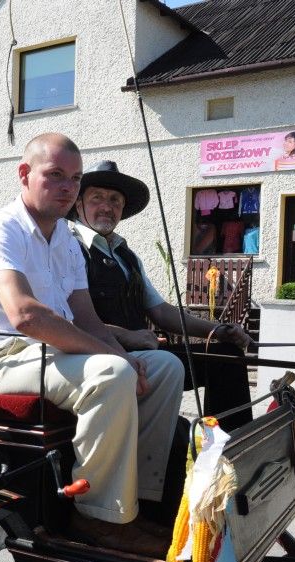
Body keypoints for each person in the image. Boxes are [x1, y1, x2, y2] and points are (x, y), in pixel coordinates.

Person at [0, 133, 184, 558]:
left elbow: (88, 319)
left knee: (164, 367)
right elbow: (26, 315)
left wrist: (122, 351)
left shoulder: (65, 239)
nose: (67, 188)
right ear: (25, 175)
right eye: (55, 175)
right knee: (113, 373)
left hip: (48, 355)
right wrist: (114, 356)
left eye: (75, 179)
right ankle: (97, 515)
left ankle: (139, 503)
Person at [70, 160, 254, 431]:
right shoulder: (67, 248)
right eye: (97, 198)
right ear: (78, 204)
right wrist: (126, 335)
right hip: (100, 357)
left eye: (115, 200)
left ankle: (227, 449)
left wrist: (218, 331)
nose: (107, 207)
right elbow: (67, 318)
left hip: (144, 353)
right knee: (172, 367)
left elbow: (160, 311)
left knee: (225, 357)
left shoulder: (126, 255)